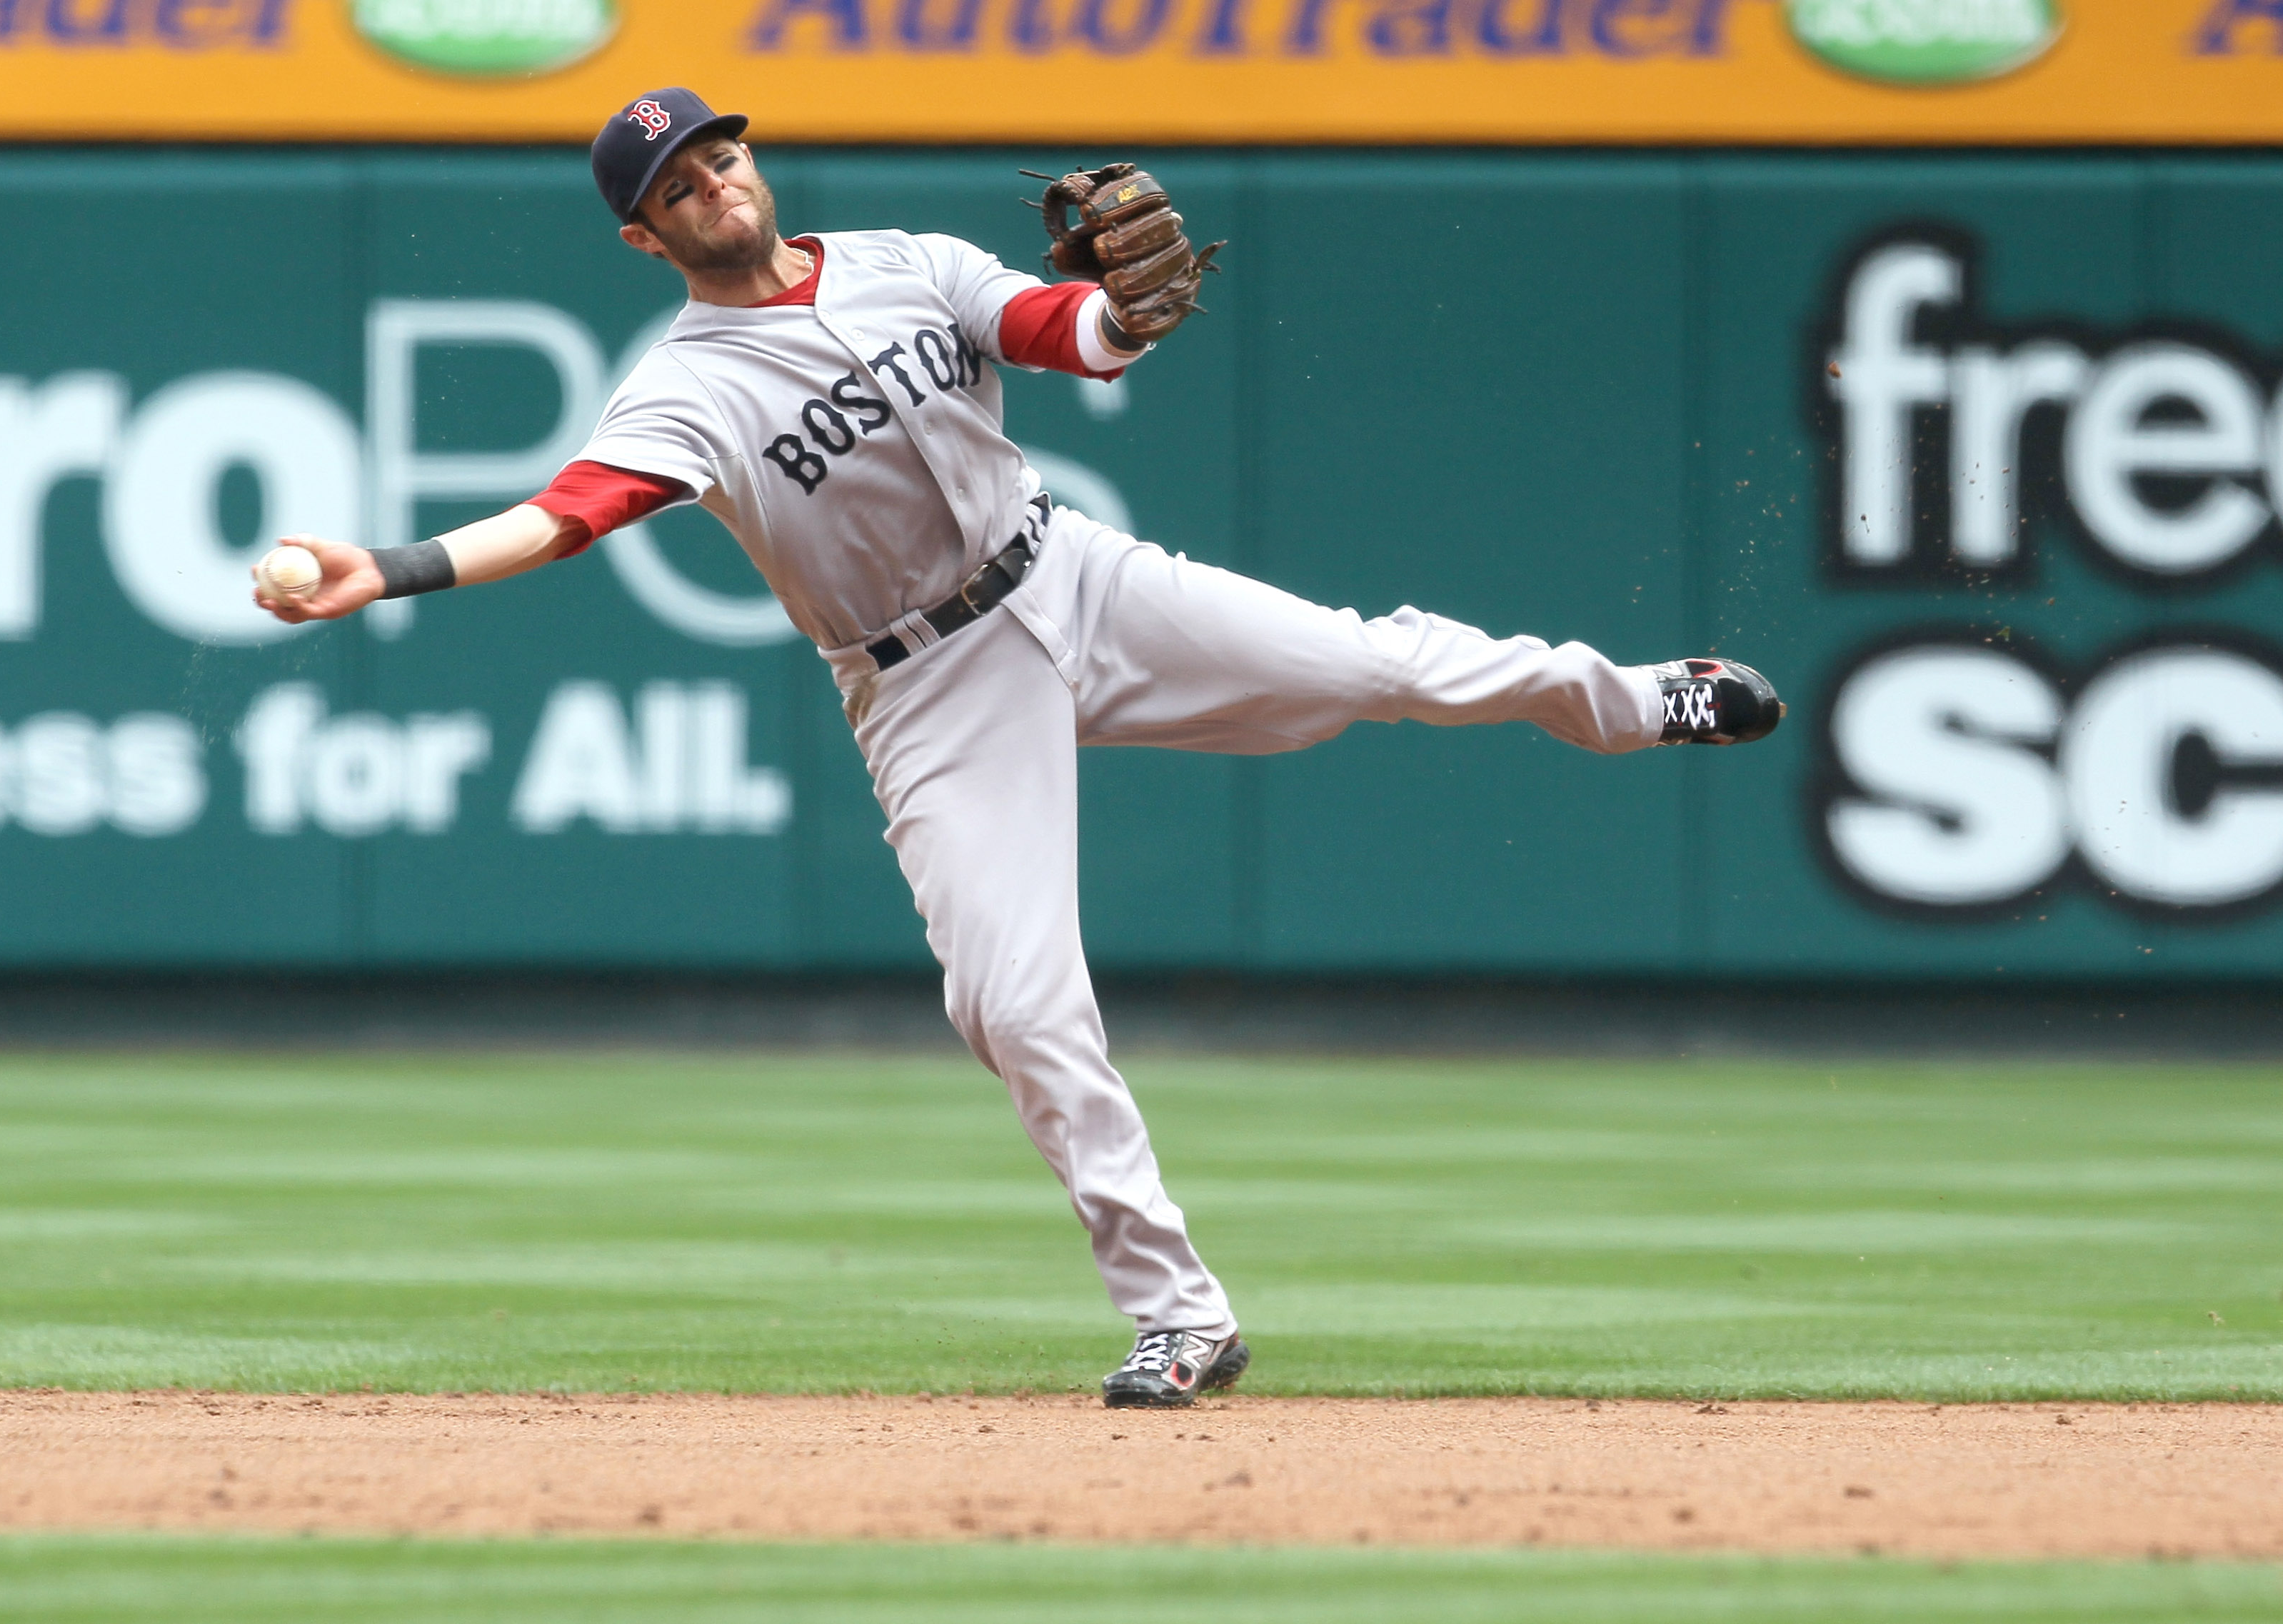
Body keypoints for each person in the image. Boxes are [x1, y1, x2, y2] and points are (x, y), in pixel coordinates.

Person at [254, 88, 1783, 1409]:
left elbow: (1075, 332)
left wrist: (1129, 309)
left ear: (749, 164)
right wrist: (389, 569)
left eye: (718, 158)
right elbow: (572, 512)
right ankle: (1182, 1320)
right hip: (924, 685)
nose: (712, 184)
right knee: (1011, 1001)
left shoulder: (908, 263)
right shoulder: (684, 387)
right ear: (645, 238)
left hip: (1072, 573)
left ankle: (1641, 698)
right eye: (676, 187)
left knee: (1368, 659)